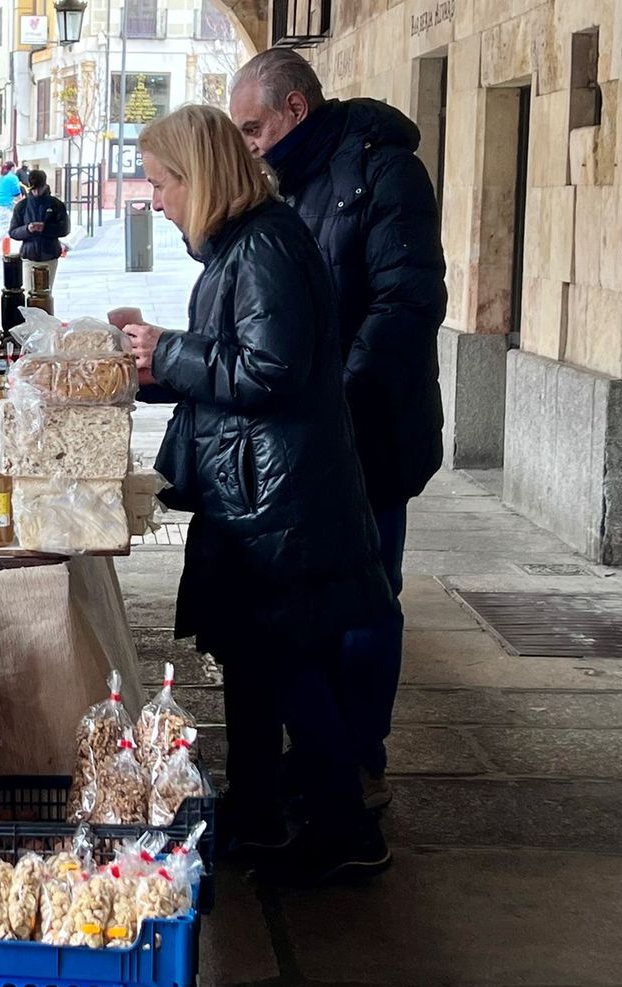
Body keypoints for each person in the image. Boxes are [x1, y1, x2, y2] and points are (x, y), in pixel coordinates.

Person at [117, 104, 395, 885]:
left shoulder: (264, 244)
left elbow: (271, 370)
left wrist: (170, 350)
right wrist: (154, 366)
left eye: (163, 183)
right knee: (251, 660)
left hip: (281, 498)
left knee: (290, 666)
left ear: (200, 177)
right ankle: (258, 813)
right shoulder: (245, 243)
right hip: (258, 490)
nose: (158, 201)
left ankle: (345, 831)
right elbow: (235, 361)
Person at [229, 49, 447, 808]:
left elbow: (406, 304)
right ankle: (321, 756)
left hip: (372, 429)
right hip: (315, 433)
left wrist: (339, 404)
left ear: (295, 109)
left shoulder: (385, 173)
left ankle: (359, 763)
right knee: (313, 599)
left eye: (254, 127)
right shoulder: (292, 180)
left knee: (367, 597)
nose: (250, 143)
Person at [8, 168, 69, 290]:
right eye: (33, 189)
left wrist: (45, 228)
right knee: (28, 293)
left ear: (45, 185)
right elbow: (13, 232)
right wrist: (27, 229)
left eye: (39, 188)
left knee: (45, 293)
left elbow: (65, 229)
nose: (36, 192)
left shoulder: (56, 204)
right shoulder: (22, 206)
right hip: (29, 256)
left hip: (50, 256)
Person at [0, 161, 23, 228]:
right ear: (12, 168)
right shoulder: (13, 177)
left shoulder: (1, 177)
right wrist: (23, 203)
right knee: (5, 229)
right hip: (3, 207)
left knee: (4, 228)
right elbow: (17, 195)